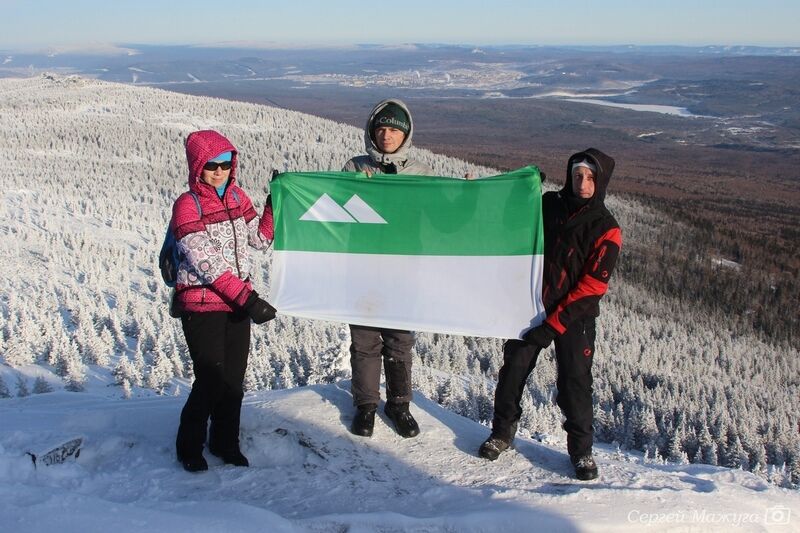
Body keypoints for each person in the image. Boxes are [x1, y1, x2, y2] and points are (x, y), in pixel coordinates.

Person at [479, 148, 622, 481]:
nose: (582, 182)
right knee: (513, 369)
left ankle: (581, 451)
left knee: (574, 381)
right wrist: (523, 191)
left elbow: (591, 288)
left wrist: (552, 325)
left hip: (575, 317)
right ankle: (502, 433)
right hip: (531, 305)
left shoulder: (606, 227)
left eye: (590, 177)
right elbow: (512, 221)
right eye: (577, 176)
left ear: (601, 182)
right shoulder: (549, 205)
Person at [172, 129, 277, 472]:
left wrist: (274, 204)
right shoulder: (187, 205)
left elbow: (259, 241)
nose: (219, 171)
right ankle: (189, 447)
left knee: (233, 379)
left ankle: (224, 442)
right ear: (197, 167)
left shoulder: (238, 197)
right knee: (211, 378)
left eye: (226, 164)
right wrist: (249, 300)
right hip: (202, 305)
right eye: (211, 165)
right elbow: (206, 264)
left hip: (237, 303)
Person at [342, 99, 433, 439]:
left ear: (406, 133)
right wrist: (356, 188)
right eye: (380, 129)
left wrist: (466, 194)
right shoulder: (355, 167)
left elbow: (443, 219)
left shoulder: (420, 174)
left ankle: (399, 404)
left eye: (394, 129)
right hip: (363, 268)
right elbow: (339, 211)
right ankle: (366, 406)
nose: (386, 135)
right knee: (364, 340)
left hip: (403, 269)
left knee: (398, 340)